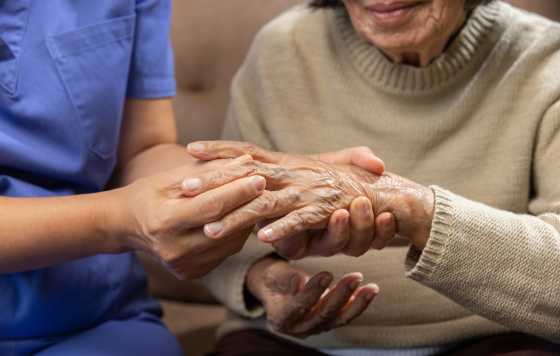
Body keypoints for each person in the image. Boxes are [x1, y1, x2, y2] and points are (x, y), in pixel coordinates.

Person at [0, 1, 387, 354]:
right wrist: (120, 220)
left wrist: (268, 177)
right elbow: (127, 211)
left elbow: (143, 151)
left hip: (95, 315)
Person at [185, 0, 560, 354]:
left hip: (492, 337)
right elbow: (220, 234)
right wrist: (262, 279)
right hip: (293, 344)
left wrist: (414, 208)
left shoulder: (546, 60)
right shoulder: (279, 49)